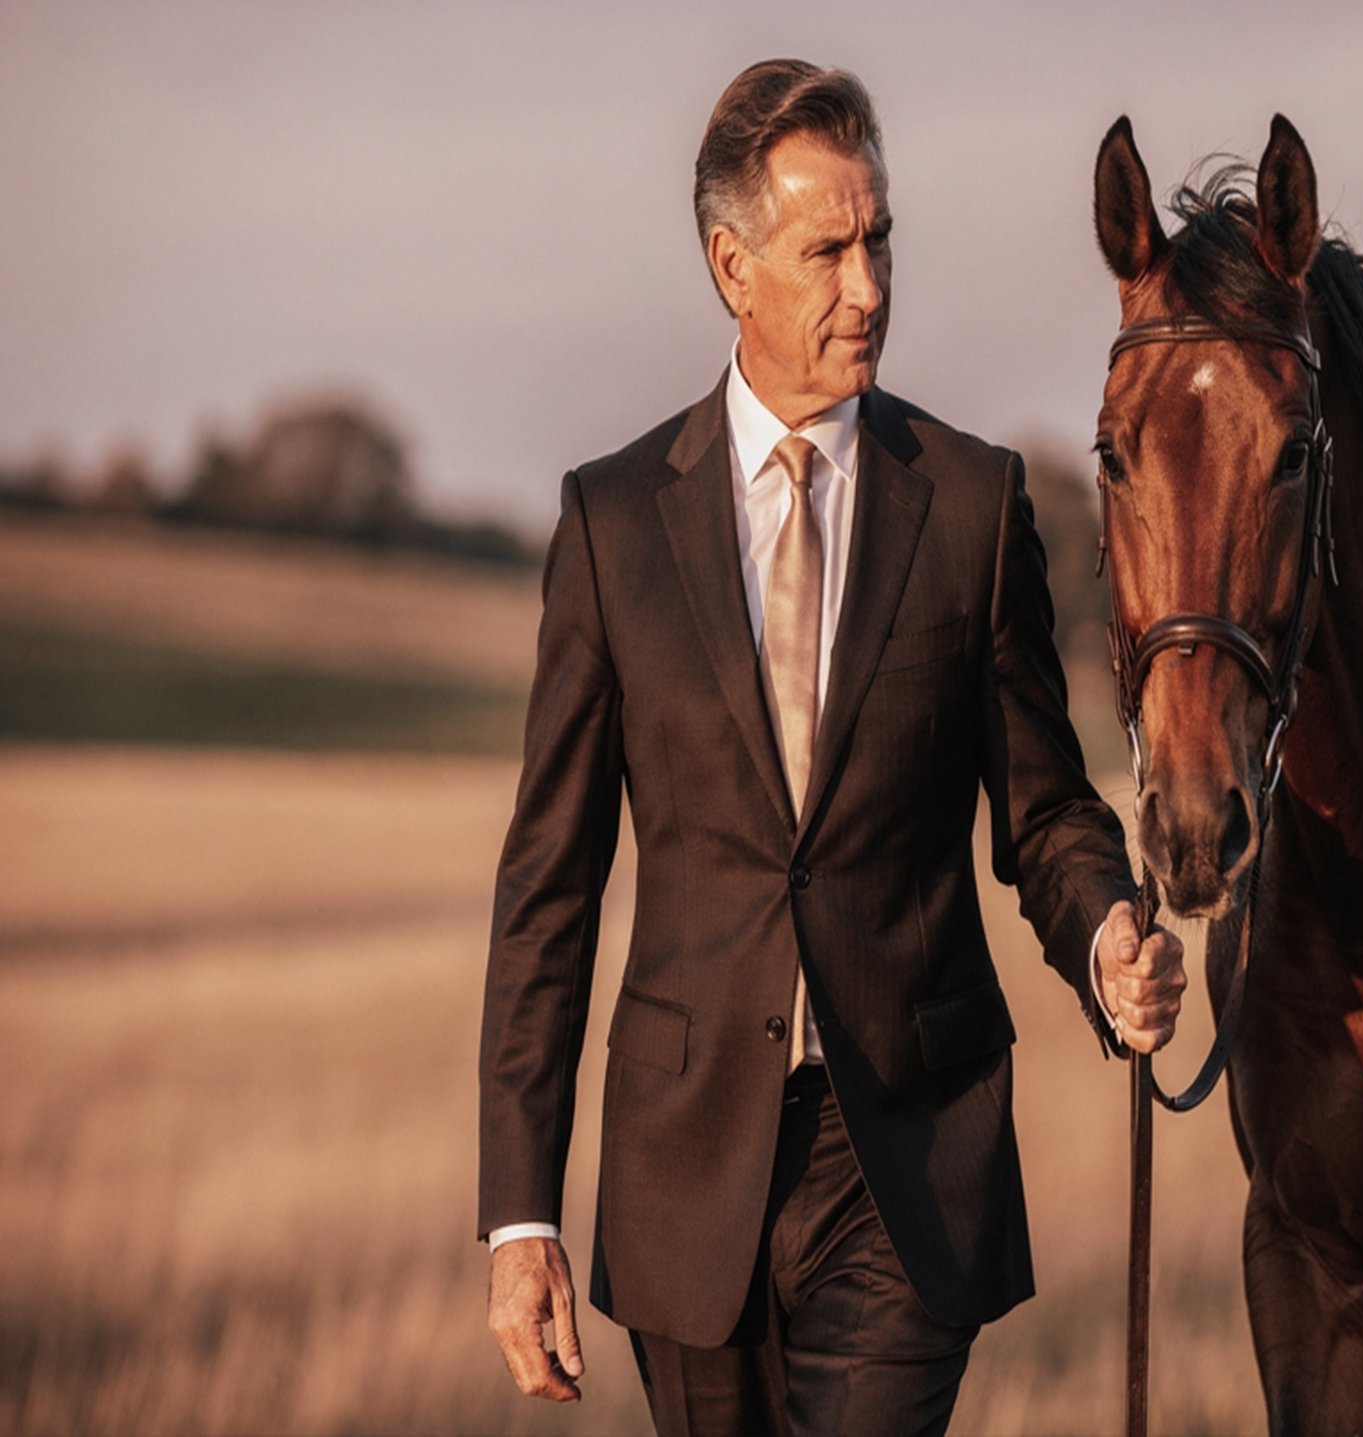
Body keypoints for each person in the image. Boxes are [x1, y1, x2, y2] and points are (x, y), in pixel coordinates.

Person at [479, 58, 1185, 1437]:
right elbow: (548, 891)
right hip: (687, 1174)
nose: (867, 287)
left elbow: (1044, 809)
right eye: (827, 250)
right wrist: (520, 1215)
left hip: (913, 1152)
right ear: (733, 265)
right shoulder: (614, 525)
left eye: (880, 243)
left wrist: (1104, 934)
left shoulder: (973, 506)